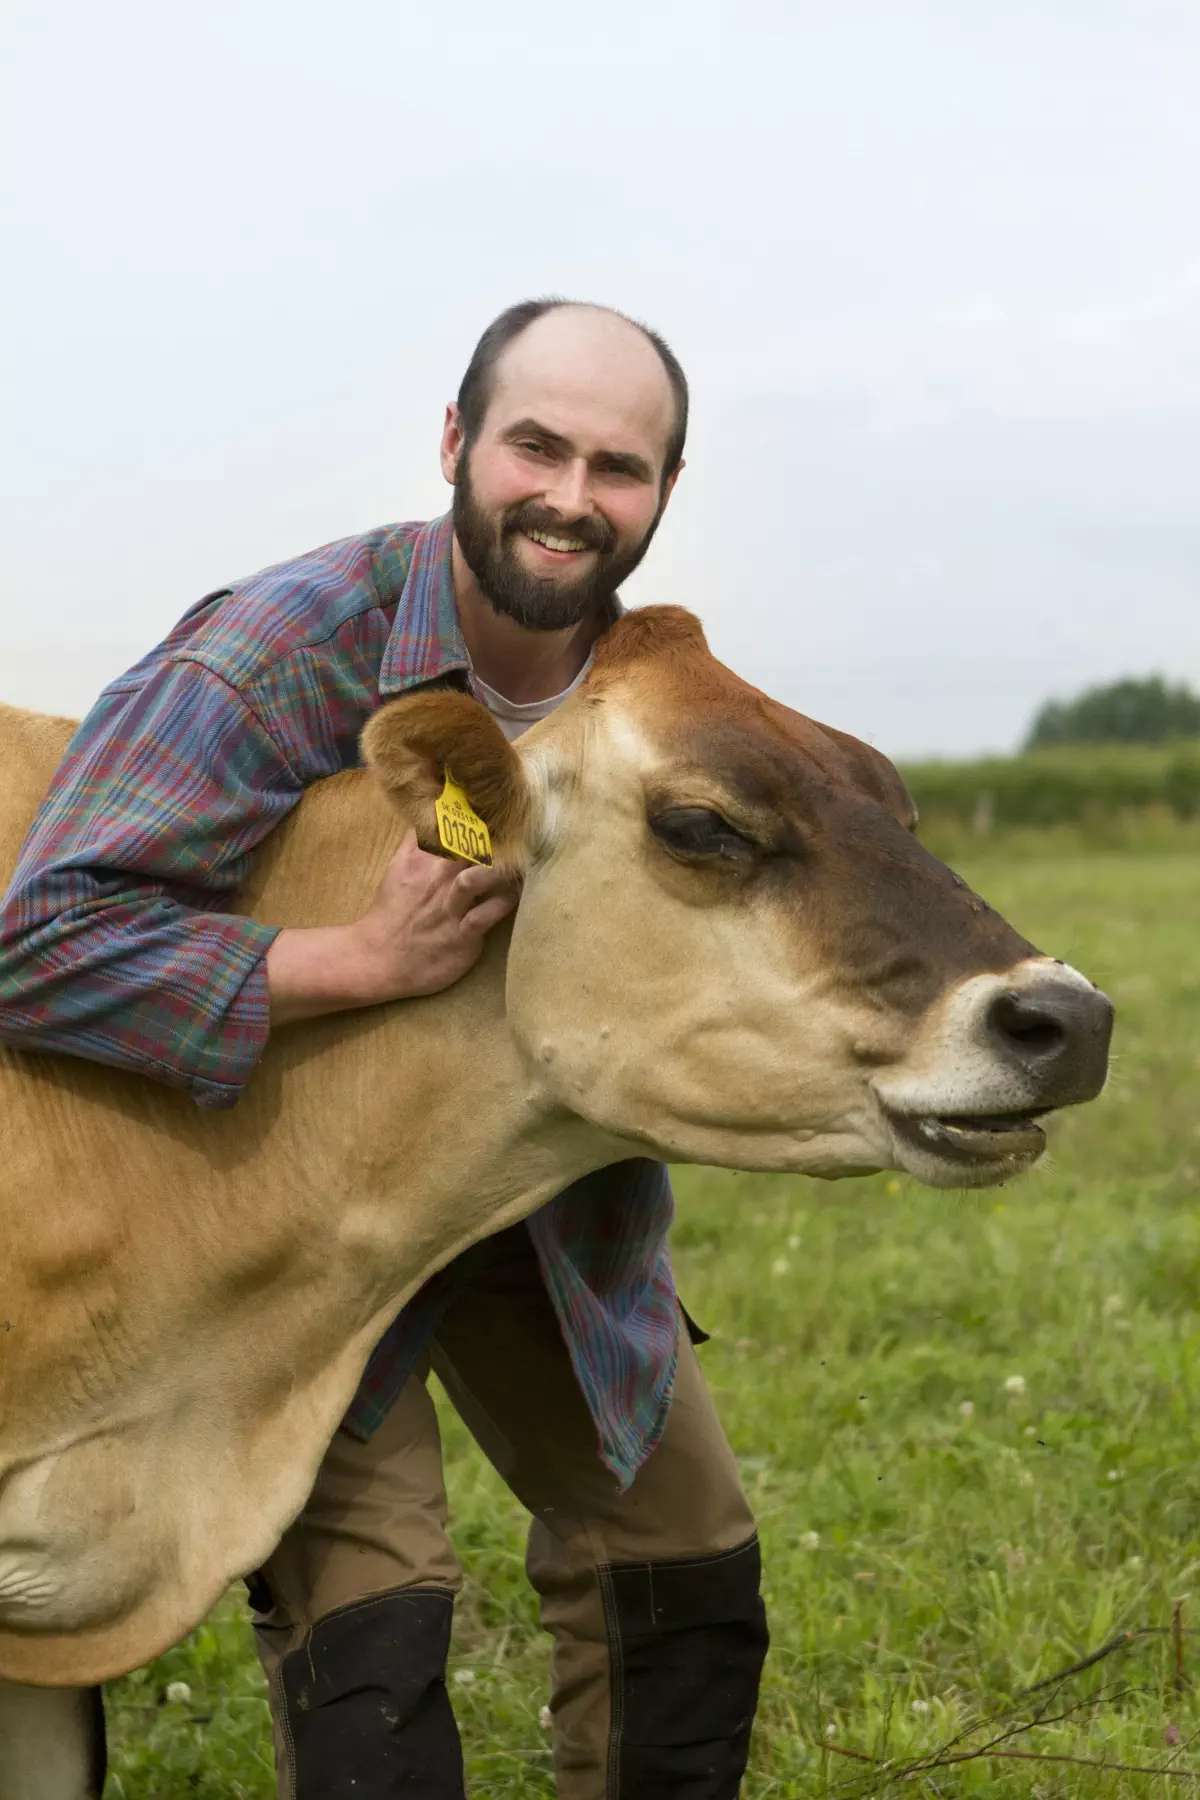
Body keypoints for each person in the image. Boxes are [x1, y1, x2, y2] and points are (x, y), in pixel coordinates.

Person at [0, 300, 769, 1799]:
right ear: (456, 444)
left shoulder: (647, 702)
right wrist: (352, 959)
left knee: (688, 1570)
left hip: (540, 1200)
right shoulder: (280, 651)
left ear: (664, 494)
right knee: (377, 1633)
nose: (569, 494)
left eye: (620, 465)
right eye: (535, 444)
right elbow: (36, 945)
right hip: (290, 1192)